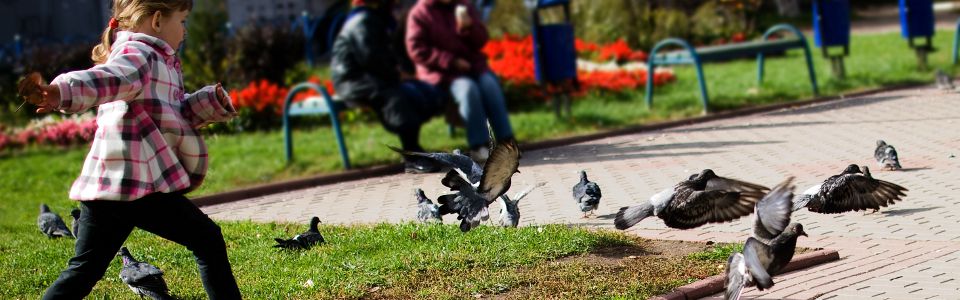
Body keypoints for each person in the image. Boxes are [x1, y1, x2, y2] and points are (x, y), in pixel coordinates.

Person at [18, 0, 242, 298]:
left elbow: (171, 116)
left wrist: (209, 103)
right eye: (183, 20)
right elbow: (107, 80)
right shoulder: (140, 55)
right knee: (208, 240)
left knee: (83, 271)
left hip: (109, 190)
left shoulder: (157, 60)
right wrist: (62, 91)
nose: (185, 31)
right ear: (158, 20)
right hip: (139, 188)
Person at [332, 0, 443, 173]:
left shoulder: (375, 20)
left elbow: (385, 55)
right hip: (353, 81)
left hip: (371, 77)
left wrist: (398, 72)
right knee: (396, 97)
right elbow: (370, 58)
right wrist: (396, 75)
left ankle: (413, 148)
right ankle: (411, 154)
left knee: (420, 91)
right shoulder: (362, 21)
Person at [405, 0, 515, 162]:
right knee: (468, 89)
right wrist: (450, 61)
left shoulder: (464, 5)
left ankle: (507, 141)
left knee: (489, 84)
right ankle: (480, 145)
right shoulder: (420, 13)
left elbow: (481, 40)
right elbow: (416, 49)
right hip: (442, 72)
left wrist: (469, 27)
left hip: (472, 66)